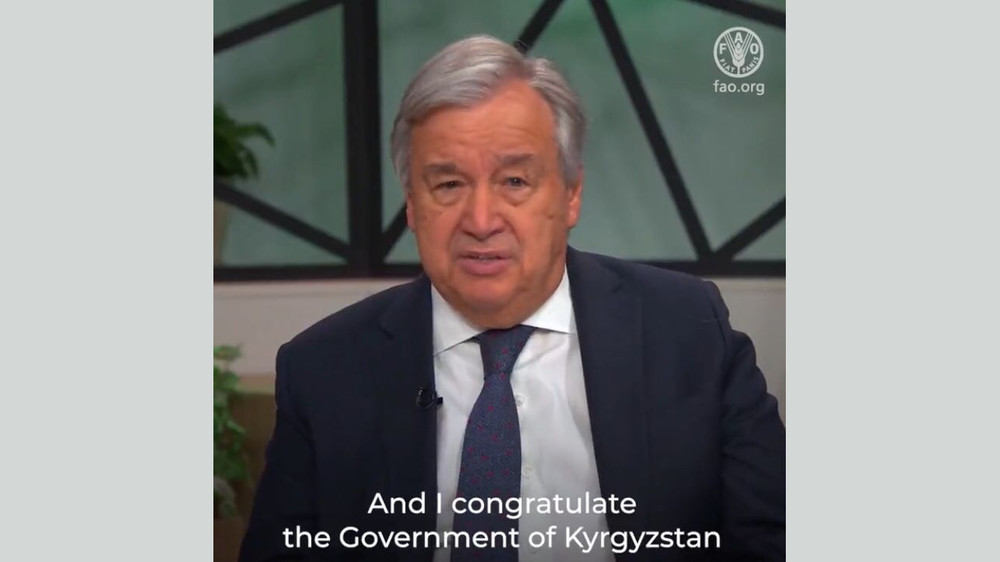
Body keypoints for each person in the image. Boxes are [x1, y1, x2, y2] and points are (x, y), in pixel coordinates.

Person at [239, 35, 784, 562]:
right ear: (412, 205)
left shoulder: (688, 331)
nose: (481, 221)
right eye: (448, 185)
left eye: (515, 181)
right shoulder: (323, 370)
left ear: (571, 195)